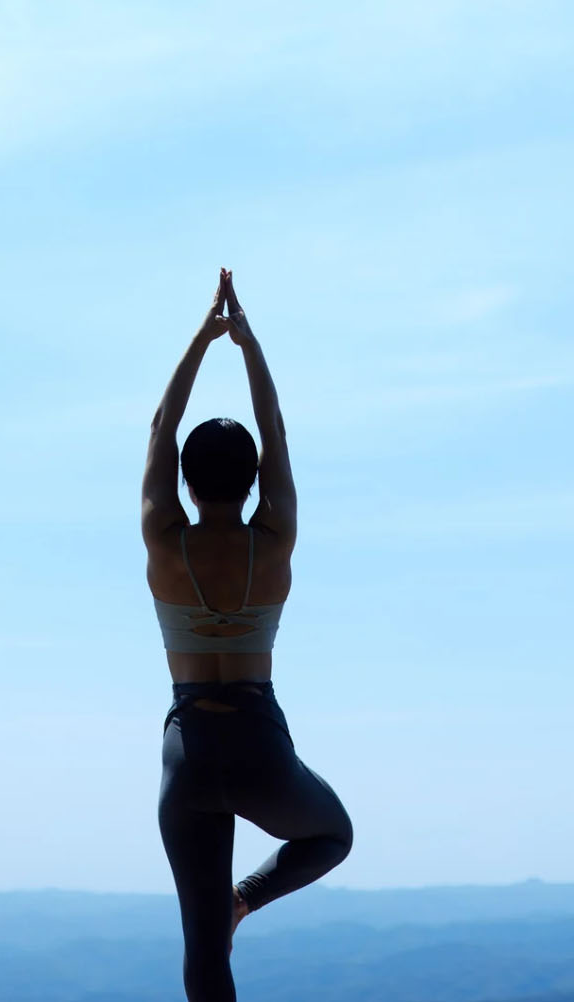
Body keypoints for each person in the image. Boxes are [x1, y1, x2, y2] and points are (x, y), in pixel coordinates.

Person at [142, 268, 353, 1001]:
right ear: (254, 475)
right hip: (258, 742)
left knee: (203, 957)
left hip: (188, 749)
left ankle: (221, 913)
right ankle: (245, 899)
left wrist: (202, 339)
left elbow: (161, 429)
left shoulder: (165, 541)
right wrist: (248, 344)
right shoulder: (275, 537)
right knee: (331, 836)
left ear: (187, 483)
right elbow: (277, 429)